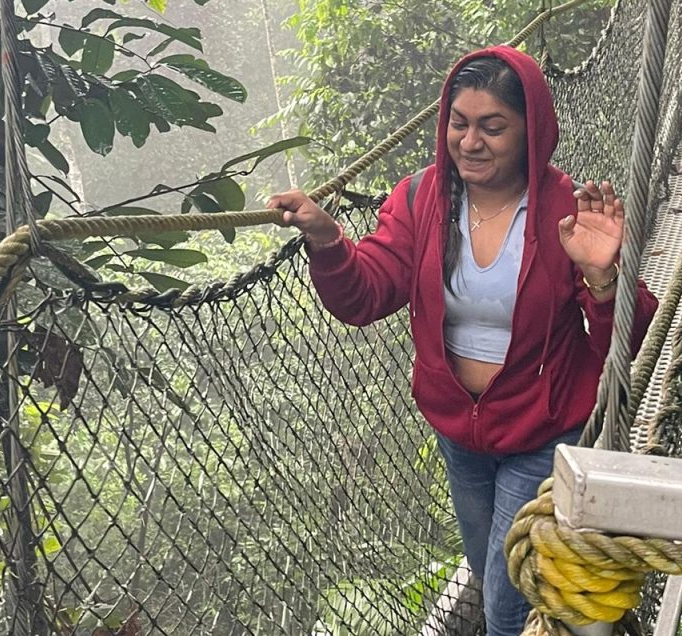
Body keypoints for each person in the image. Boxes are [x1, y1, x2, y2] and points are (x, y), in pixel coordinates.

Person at [268, 45, 659, 636]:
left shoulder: (564, 212)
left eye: (492, 127)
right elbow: (367, 295)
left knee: (504, 609)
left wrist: (606, 276)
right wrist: (327, 239)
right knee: (489, 568)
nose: (470, 142)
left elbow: (626, 347)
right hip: (461, 435)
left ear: (531, 132)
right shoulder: (423, 199)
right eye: (459, 122)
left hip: (544, 431)